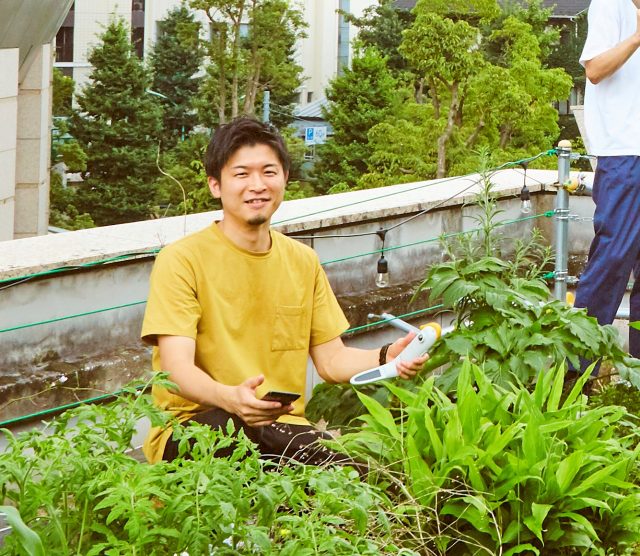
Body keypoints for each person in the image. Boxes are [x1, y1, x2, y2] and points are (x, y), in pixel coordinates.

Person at [140, 117, 428, 464]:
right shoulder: (182, 260)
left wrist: (386, 357)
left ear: (285, 179)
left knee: (347, 476)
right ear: (215, 185)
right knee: (248, 450)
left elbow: (332, 360)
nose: (257, 185)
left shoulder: (302, 261)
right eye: (241, 174)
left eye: (269, 172)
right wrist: (230, 397)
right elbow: (176, 369)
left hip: (279, 425)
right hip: (194, 427)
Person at [573, 1, 640, 360]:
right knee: (613, 259)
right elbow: (595, 69)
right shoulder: (609, 3)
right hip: (624, 152)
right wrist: (637, 37)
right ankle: (575, 371)